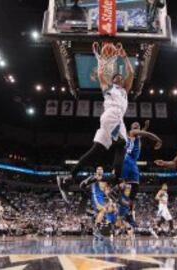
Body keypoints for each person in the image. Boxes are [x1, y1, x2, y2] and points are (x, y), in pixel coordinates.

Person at [57, 42, 134, 203]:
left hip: (113, 120)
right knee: (121, 145)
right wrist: (98, 57)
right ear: (113, 81)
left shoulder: (124, 90)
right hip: (112, 116)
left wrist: (125, 56)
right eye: (116, 77)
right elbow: (100, 75)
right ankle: (117, 183)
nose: (119, 77)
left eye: (120, 77)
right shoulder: (109, 89)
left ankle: (68, 177)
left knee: (96, 151)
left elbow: (131, 73)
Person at [121, 121, 162, 211]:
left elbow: (142, 133)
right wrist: (158, 139)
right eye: (134, 124)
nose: (136, 124)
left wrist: (145, 126)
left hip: (132, 161)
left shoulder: (137, 135)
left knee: (134, 186)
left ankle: (128, 210)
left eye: (138, 125)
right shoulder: (132, 132)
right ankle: (115, 193)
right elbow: (146, 134)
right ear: (131, 128)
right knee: (126, 186)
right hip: (128, 159)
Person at [79, 166, 109, 240]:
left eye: (101, 169)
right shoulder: (93, 177)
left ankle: (96, 230)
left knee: (103, 212)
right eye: (98, 169)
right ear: (96, 171)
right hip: (96, 196)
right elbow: (84, 183)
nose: (99, 170)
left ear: (103, 171)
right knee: (103, 210)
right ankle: (96, 230)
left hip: (101, 198)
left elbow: (106, 191)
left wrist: (108, 194)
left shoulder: (104, 180)